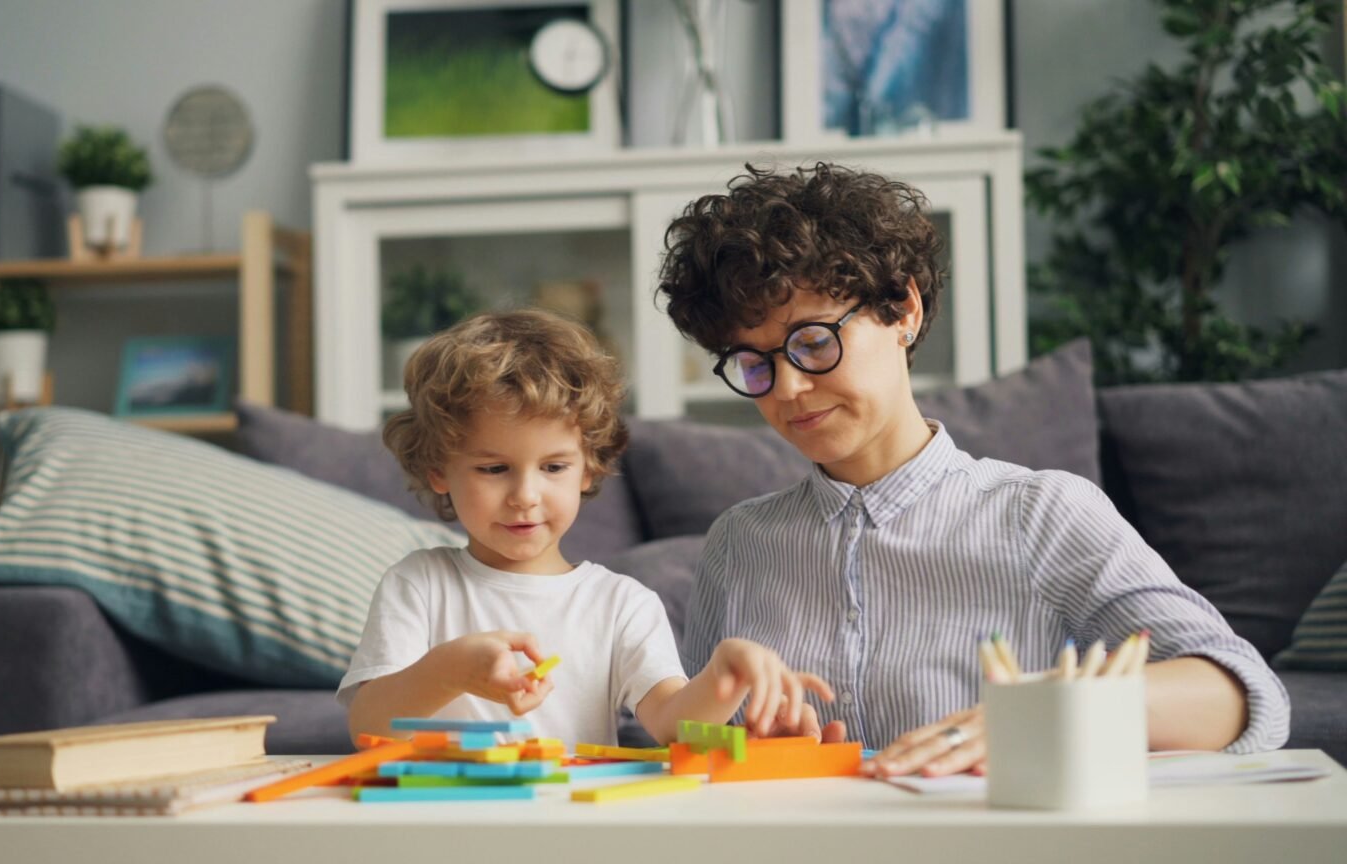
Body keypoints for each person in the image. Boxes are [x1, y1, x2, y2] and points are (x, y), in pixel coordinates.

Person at [655, 163, 1289, 777]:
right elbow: (687, 744)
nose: (788, 388)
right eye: (755, 364)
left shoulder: (1040, 514)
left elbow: (1242, 693)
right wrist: (748, 750)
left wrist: (1043, 716)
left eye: (814, 342)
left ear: (903, 310)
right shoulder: (738, 543)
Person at [340, 309, 833, 747]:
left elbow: (672, 725)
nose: (525, 495)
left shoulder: (620, 604)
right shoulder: (418, 585)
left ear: (589, 469)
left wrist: (724, 674)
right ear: (438, 471)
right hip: (444, 816)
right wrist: (449, 671)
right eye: (493, 469)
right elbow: (368, 727)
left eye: (554, 467)